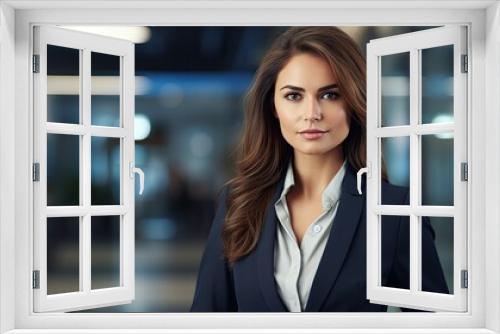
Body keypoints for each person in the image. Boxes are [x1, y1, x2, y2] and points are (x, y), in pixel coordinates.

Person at [190, 26, 448, 312]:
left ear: (354, 101)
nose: (311, 113)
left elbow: (433, 325)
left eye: (330, 95)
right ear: (272, 106)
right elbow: (207, 317)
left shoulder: (395, 212)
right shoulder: (237, 202)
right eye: (293, 96)